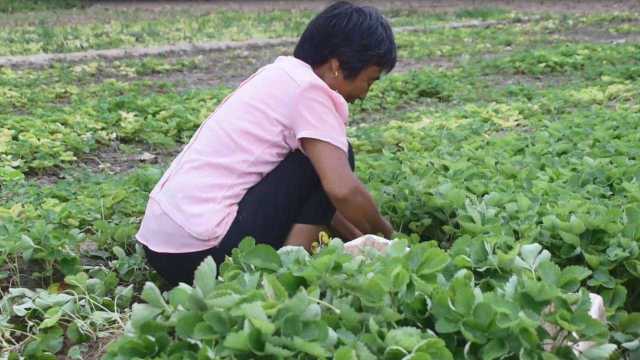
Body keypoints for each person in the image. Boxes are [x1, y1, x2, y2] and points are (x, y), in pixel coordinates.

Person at [136, 1, 396, 286]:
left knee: (318, 162)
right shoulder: (309, 91)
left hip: (164, 251)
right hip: (203, 255)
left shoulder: (280, 75)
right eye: (369, 81)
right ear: (336, 66)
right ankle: (289, 277)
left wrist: (362, 240)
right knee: (337, 156)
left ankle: (292, 262)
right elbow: (341, 190)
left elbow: (314, 200)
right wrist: (390, 239)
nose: (364, 94)